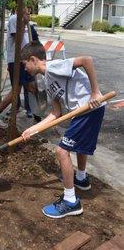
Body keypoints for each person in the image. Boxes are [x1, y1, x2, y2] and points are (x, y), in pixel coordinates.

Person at [21, 41, 105, 219]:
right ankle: (81, 179)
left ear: (33, 59)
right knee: (77, 145)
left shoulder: (53, 67)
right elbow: (56, 113)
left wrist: (95, 92)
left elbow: (86, 60)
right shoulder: (46, 79)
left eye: (25, 64)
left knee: (62, 150)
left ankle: (70, 202)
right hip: (81, 111)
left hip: (90, 108)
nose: (25, 68)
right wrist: (33, 129)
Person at [0, 8, 40, 128]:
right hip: (16, 61)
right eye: (27, 10)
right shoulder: (14, 19)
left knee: (32, 87)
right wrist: (23, 22)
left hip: (25, 61)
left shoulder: (27, 22)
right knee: (15, 91)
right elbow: (18, 40)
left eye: (29, 12)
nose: (29, 12)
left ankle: (37, 116)